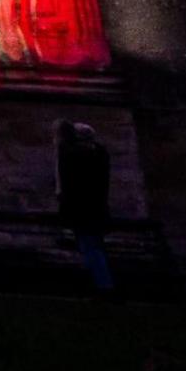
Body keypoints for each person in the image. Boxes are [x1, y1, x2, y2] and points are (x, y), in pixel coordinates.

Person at [57, 119, 115, 294]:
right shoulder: (99, 155)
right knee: (92, 246)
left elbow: (69, 166)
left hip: (85, 210)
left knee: (91, 247)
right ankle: (99, 285)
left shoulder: (78, 156)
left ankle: (104, 287)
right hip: (97, 208)